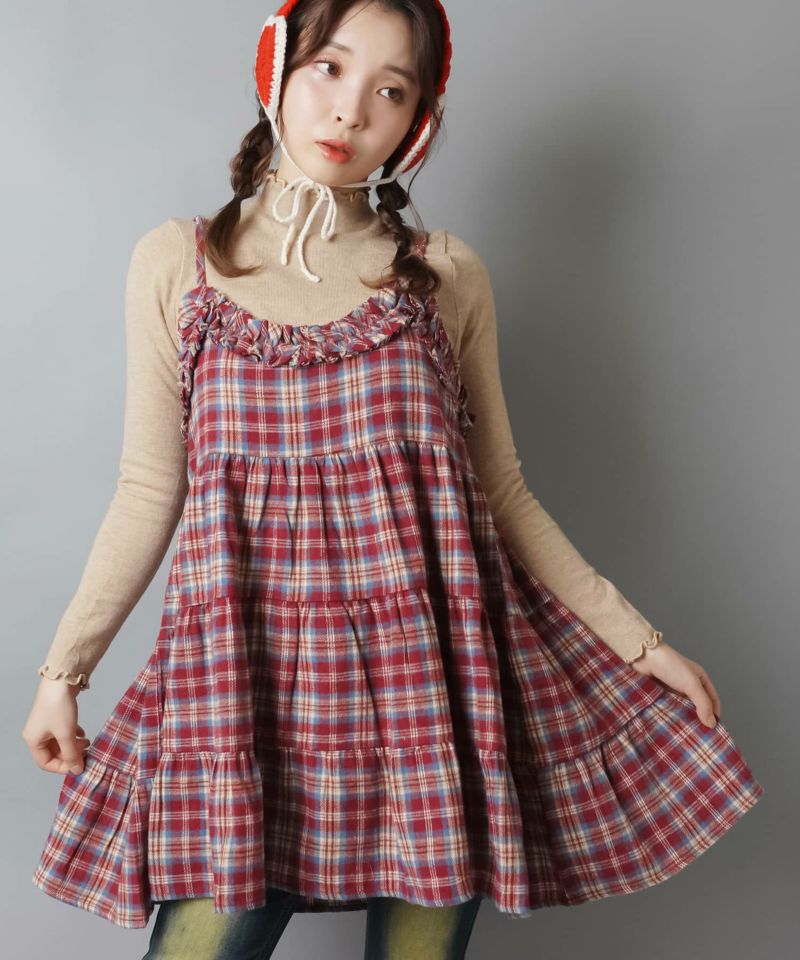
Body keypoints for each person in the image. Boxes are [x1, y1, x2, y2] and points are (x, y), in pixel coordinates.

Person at [23, 0, 764, 956]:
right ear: (277, 68)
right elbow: (146, 489)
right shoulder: (179, 264)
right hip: (242, 692)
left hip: (427, 697)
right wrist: (64, 673)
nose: (350, 110)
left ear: (417, 121)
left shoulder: (445, 276)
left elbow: (504, 494)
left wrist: (639, 642)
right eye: (329, 68)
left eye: (391, 89)